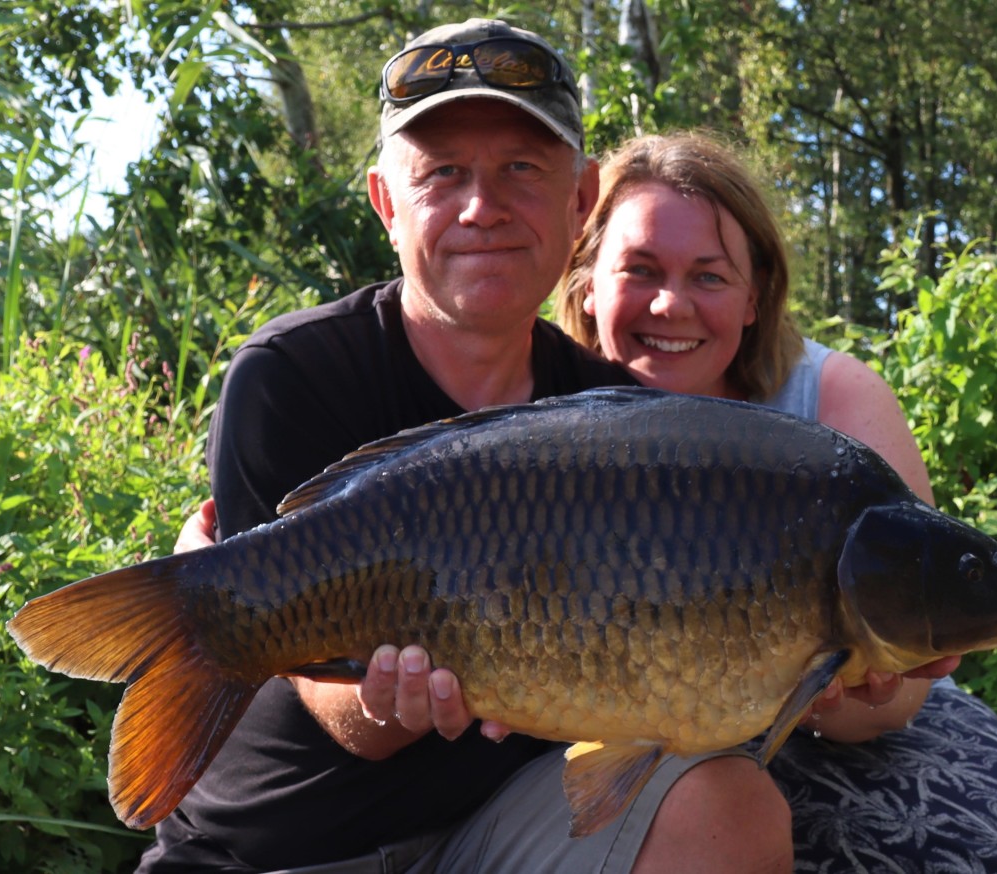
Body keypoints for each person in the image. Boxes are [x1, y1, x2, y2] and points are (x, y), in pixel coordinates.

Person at [144, 18, 795, 873]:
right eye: (442, 174)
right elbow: (337, 715)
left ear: (579, 201)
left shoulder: (624, 428)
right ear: (386, 203)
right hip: (277, 849)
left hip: (496, 836)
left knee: (730, 808)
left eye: (520, 170)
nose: (481, 208)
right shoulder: (290, 375)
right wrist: (394, 700)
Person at [548, 130, 997, 871]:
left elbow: (896, 695)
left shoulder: (830, 395)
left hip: (843, 722)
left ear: (753, 295)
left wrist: (825, 692)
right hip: (637, 724)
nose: (671, 305)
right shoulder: (539, 421)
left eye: (709, 276)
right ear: (586, 282)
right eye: (640, 270)